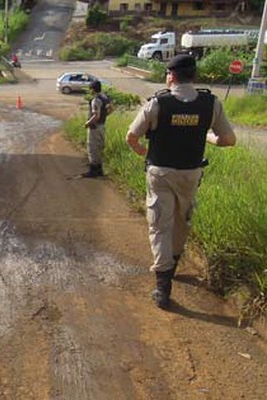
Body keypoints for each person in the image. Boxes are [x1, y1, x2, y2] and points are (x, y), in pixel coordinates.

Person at [125, 54, 236, 309]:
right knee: (181, 220)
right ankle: (172, 264)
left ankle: (163, 288)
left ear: (171, 76)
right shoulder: (211, 103)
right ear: (194, 76)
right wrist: (208, 137)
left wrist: (142, 151)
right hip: (190, 173)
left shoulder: (158, 103)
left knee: (160, 225)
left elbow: (131, 136)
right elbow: (229, 140)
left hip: (160, 173)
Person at [83, 80, 112, 178]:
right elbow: (110, 109)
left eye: (90, 89)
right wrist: (105, 115)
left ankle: (93, 171)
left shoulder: (95, 100)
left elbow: (96, 115)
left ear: (92, 89)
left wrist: (87, 123)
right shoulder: (105, 97)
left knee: (92, 148)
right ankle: (99, 169)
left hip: (94, 127)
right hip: (102, 126)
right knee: (99, 147)